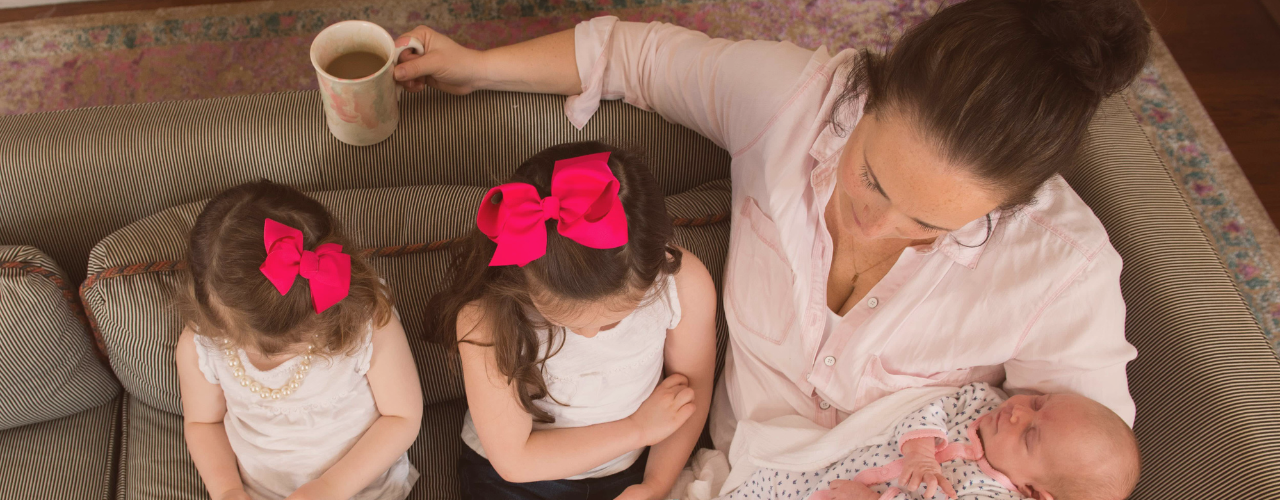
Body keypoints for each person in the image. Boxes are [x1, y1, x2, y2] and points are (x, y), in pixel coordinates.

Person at [394, 0, 1151, 459]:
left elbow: (1078, 465)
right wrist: (477, 66)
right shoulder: (794, 102)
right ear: (868, 94)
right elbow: (632, 54)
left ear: (1011, 205)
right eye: (872, 177)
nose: (875, 223)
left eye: (929, 224)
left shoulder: (1063, 273)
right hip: (722, 472)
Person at [426, 142, 718, 499]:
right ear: (524, 279)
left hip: (638, 464)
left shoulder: (683, 286)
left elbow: (691, 390)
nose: (590, 334)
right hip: (523, 477)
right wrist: (637, 429)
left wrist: (655, 485)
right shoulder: (486, 319)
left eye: (613, 320)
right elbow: (515, 461)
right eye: (563, 320)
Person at [175, 180, 423, 500]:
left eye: (294, 342)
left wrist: (329, 489)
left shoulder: (366, 317)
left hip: (358, 484)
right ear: (210, 316)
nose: (276, 358)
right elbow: (202, 424)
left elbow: (402, 417)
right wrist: (227, 490)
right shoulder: (202, 345)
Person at [727, 383, 1140, 500]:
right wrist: (921, 451)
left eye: (1029, 433)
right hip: (817, 472)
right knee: (761, 482)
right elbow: (937, 406)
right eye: (1037, 402)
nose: (1017, 413)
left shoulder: (989, 496)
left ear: (1033, 490)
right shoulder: (981, 407)